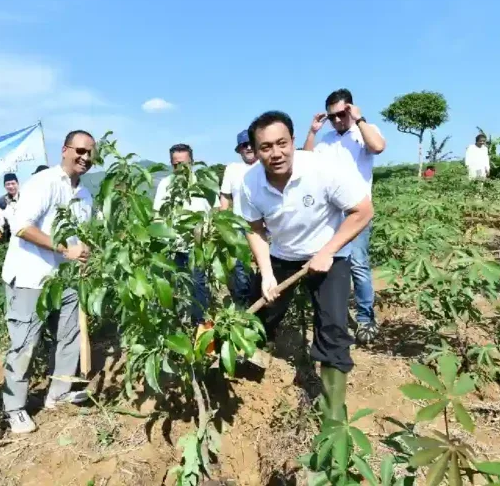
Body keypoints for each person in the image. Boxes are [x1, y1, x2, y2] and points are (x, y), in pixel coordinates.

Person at [240, 110, 373, 421]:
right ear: (256, 150)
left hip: (330, 255)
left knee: (332, 327)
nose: (275, 153)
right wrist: (268, 274)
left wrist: (327, 251)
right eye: (266, 147)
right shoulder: (251, 182)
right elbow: (254, 227)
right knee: (262, 312)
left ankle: (333, 413)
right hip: (284, 255)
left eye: (281, 143)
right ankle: (249, 364)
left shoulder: (322, 168)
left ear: (293, 141)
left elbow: (363, 210)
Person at [1, 129, 95, 434]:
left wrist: (83, 252)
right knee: (25, 342)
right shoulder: (45, 183)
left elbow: (81, 237)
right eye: (79, 150)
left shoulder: (85, 194)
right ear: (65, 150)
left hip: (64, 277)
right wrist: (66, 249)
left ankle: (59, 391)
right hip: (30, 276)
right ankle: (14, 408)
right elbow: (22, 227)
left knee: (68, 334)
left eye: (90, 152)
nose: (84, 157)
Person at [304, 88, 385, 345]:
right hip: (329, 214)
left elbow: (379, 147)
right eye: (333, 116)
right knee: (329, 263)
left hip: (356, 212)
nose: (338, 120)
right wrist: (313, 132)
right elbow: (305, 162)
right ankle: (332, 315)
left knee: (358, 264)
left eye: (342, 114)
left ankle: (365, 319)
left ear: (351, 109)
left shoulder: (364, 133)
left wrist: (359, 120)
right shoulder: (326, 140)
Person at [153, 143, 211, 325]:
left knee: (198, 284)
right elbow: (157, 216)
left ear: (192, 162)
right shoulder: (165, 184)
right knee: (176, 286)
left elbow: (215, 211)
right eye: (176, 164)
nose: (180, 168)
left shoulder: (202, 183)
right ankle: (179, 323)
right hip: (173, 246)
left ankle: (200, 323)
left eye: (184, 163)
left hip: (197, 246)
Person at [219, 129, 258, 307]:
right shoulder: (233, 169)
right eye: (244, 145)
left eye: (251, 143)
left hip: (267, 225)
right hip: (239, 225)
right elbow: (225, 197)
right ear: (239, 150)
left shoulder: (266, 166)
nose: (248, 148)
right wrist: (221, 223)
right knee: (240, 268)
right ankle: (244, 306)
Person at [0, 174, 20, 241]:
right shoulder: (1, 201)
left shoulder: (25, 196)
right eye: (8, 184)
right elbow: (1, 218)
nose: (11, 186)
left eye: (13, 183)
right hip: (10, 234)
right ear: (4, 186)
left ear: (17, 183)